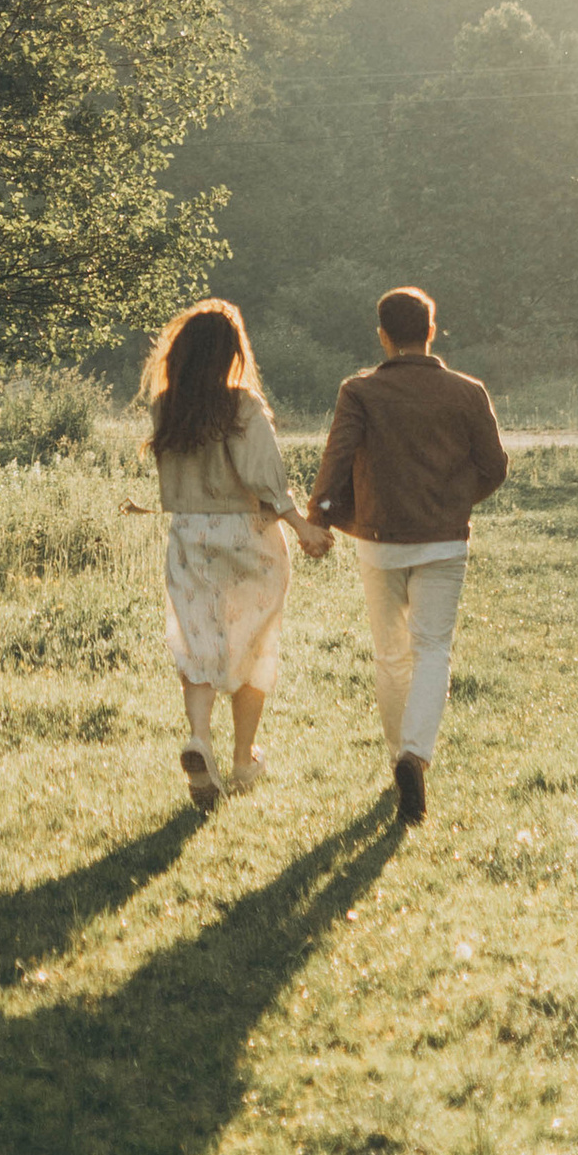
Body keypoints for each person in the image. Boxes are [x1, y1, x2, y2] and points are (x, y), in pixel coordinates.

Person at [307, 284, 507, 828]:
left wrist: (318, 517)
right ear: (431, 331)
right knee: (433, 649)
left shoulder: (360, 391)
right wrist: (454, 501)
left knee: (391, 655)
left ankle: (399, 757)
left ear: (383, 336)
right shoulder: (468, 391)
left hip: (377, 542)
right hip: (444, 540)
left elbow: (338, 455)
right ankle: (414, 756)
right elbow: (495, 467)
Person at [138, 299, 333, 813]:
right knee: (255, 640)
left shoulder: (166, 404)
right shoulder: (242, 406)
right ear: (230, 354)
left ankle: (200, 738)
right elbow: (263, 477)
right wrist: (301, 526)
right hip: (247, 531)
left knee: (197, 636)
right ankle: (243, 759)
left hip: (190, 532)